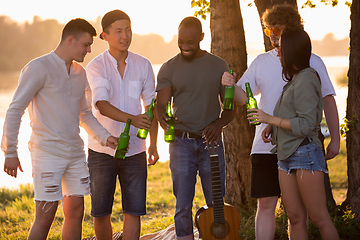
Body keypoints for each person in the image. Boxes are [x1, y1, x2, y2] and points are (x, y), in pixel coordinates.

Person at [221, 4, 340, 240]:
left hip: (301, 144)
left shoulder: (312, 62)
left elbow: (327, 101)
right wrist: (228, 85)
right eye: (269, 31)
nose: (273, 36)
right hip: (266, 145)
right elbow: (243, 98)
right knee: (267, 204)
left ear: (293, 30)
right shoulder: (261, 61)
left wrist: (335, 139)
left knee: (301, 214)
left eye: (278, 30)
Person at [1, 19, 118, 240]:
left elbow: (84, 114)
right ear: (70, 40)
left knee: (76, 212)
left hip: (74, 153)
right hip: (47, 153)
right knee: (45, 216)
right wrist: (9, 152)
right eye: (85, 44)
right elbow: (16, 109)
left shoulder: (79, 72)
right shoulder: (38, 67)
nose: (89, 49)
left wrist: (105, 137)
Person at [250, 28, 340, 240]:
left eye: (281, 48)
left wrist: (269, 119)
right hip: (285, 156)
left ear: (291, 49)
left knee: (319, 218)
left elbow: (307, 124)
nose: (277, 52)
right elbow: (293, 113)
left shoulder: (308, 78)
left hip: (305, 155)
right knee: (295, 217)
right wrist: (273, 126)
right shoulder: (294, 79)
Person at [156, 16, 236, 240]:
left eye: (190, 41)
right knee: (183, 204)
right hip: (181, 143)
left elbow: (230, 109)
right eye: (181, 40)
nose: (185, 46)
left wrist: (219, 124)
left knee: (216, 202)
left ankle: (217, 237)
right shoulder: (169, 68)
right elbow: (161, 105)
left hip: (211, 143)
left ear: (201, 37)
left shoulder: (218, 65)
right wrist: (162, 117)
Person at [85, 10, 159, 240]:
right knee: (100, 212)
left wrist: (154, 144)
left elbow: (151, 109)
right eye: (118, 31)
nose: (125, 36)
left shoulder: (144, 65)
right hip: (101, 150)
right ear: (105, 36)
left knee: (134, 211)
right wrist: (133, 119)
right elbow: (101, 105)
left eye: (128, 30)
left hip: (136, 149)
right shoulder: (96, 67)